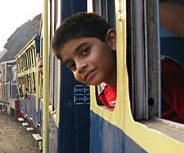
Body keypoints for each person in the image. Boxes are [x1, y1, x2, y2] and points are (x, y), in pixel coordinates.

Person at [51, 11, 184, 123]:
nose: (80, 67)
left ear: (112, 40)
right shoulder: (104, 92)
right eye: (72, 65)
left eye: (85, 51)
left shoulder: (159, 73)